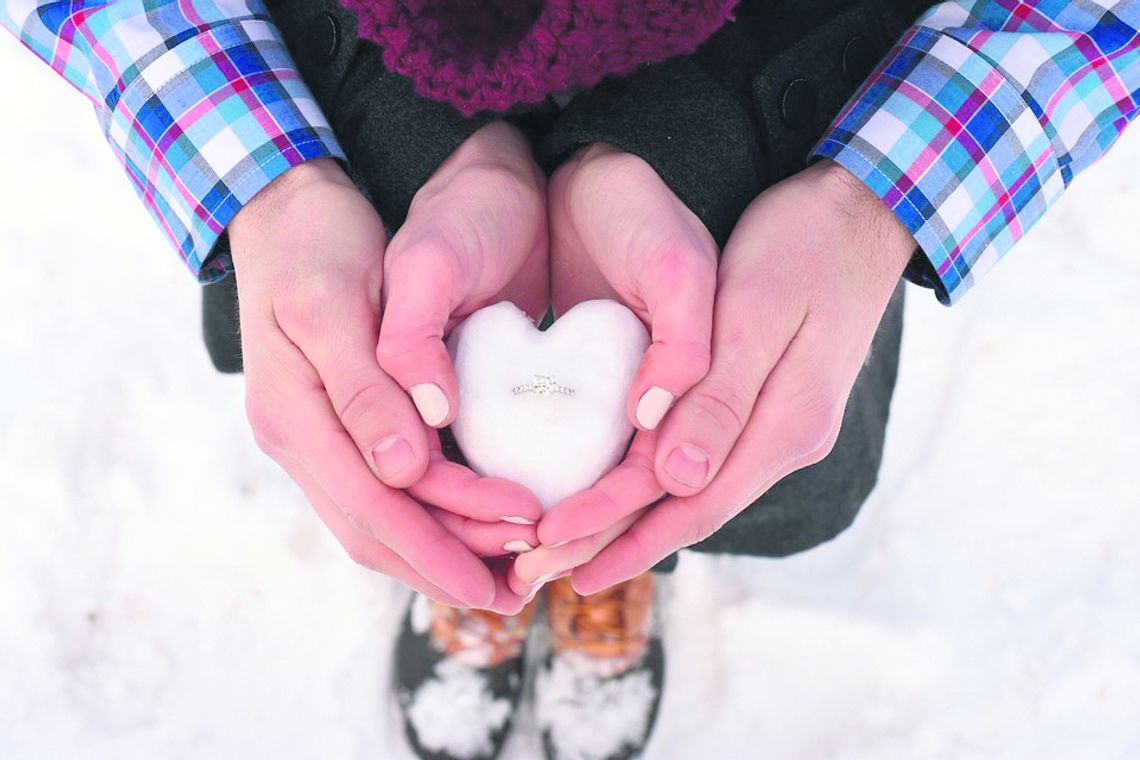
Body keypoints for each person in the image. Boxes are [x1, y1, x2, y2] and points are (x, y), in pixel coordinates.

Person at [3, 1, 1137, 758]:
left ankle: (594, 557)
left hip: (774, 105)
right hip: (364, 92)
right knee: (411, 400)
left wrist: (871, 196)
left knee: (703, 417)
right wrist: (271, 177)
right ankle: (485, 551)